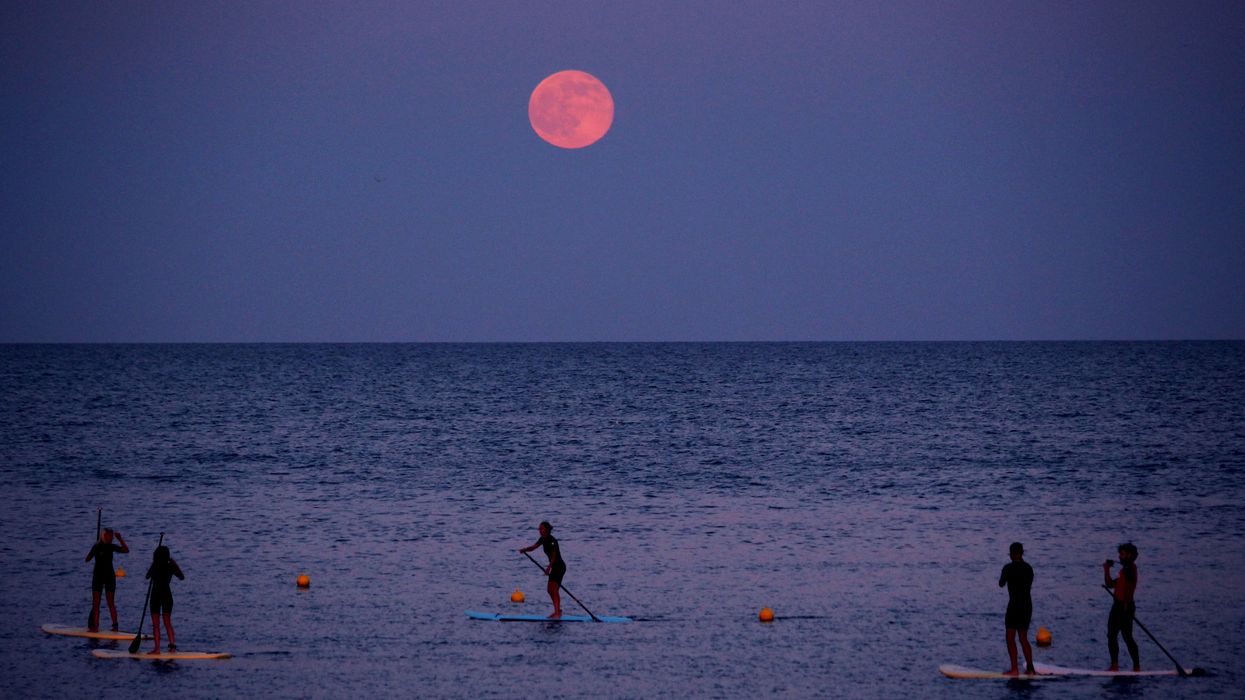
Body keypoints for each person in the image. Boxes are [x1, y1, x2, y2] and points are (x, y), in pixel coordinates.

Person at [998, 542, 1036, 675]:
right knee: (1023, 638)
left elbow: (1001, 584)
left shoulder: (1008, 568)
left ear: (1011, 554)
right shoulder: (1029, 568)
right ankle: (1030, 668)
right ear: (1022, 553)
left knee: (1010, 638)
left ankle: (1014, 669)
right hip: (1027, 605)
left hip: (1014, 605)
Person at [1103, 542, 1140, 671]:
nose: (1119, 557)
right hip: (1118, 606)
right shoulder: (1124, 570)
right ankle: (1115, 665)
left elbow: (1129, 589)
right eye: (1119, 554)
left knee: (1127, 637)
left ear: (1129, 555)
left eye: (1122, 554)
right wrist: (1107, 569)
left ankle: (1136, 667)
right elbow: (1110, 584)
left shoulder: (1130, 569)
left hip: (1124, 607)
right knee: (1112, 635)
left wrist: (1125, 605)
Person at [518, 521, 565, 618]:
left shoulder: (552, 541)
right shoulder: (542, 539)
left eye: (541, 529)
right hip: (554, 567)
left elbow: (554, 556)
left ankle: (557, 613)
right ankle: (558, 610)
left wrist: (549, 567)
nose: (539, 531)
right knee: (549, 590)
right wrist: (525, 549)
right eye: (539, 529)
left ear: (547, 530)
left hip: (559, 567)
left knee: (554, 590)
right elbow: (533, 547)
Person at [85, 528, 129, 631]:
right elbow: (87, 559)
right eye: (110, 536)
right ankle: (95, 626)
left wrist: (120, 539)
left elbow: (126, 550)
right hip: (98, 576)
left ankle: (115, 626)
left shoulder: (111, 546)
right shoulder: (96, 546)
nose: (112, 538)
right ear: (104, 536)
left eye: (112, 536)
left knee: (110, 602)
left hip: (109, 576)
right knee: (96, 603)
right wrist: (93, 550)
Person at [145, 545, 185, 654]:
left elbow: (147, 576)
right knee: (167, 622)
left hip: (156, 595)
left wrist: (153, 564)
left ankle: (157, 648)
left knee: (156, 624)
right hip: (166, 595)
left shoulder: (155, 565)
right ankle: (172, 647)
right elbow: (182, 577)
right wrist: (175, 564)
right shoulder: (170, 566)